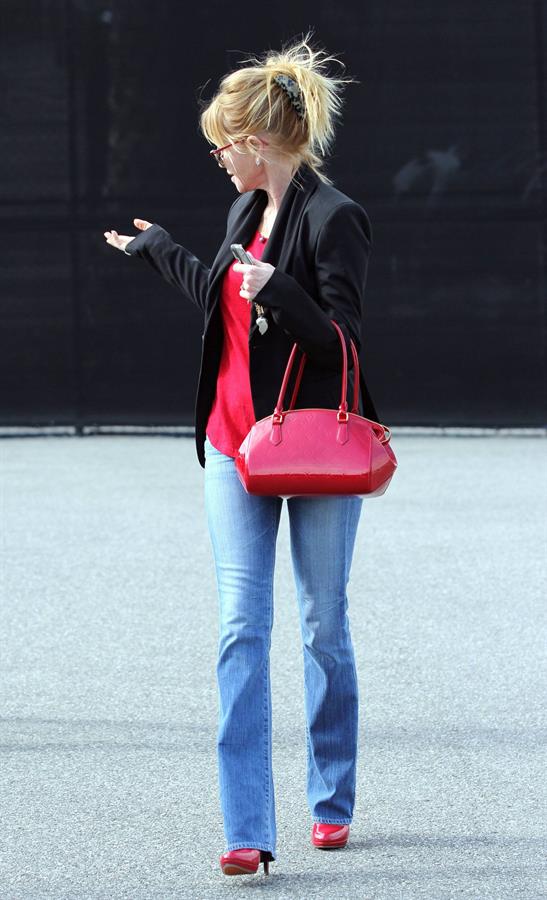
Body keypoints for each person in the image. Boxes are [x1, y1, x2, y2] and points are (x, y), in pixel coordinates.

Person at [104, 31, 380, 878]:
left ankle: (330, 800)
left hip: (314, 443)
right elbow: (222, 306)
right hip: (234, 446)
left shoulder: (335, 218)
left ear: (256, 141)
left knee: (322, 623)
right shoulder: (238, 213)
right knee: (238, 629)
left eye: (222, 145)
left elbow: (343, 343)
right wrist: (160, 252)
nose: (218, 159)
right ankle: (246, 828)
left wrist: (283, 291)